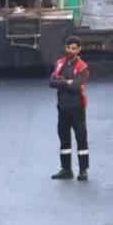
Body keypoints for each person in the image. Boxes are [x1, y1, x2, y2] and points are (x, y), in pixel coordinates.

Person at [49, 37, 91, 181]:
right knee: (64, 139)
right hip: (62, 108)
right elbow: (51, 82)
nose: (70, 51)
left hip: (77, 108)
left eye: (74, 48)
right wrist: (68, 81)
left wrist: (62, 82)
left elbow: (76, 86)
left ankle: (83, 170)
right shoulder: (60, 63)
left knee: (81, 138)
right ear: (65, 48)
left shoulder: (82, 67)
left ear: (79, 49)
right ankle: (66, 169)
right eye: (68, 48)